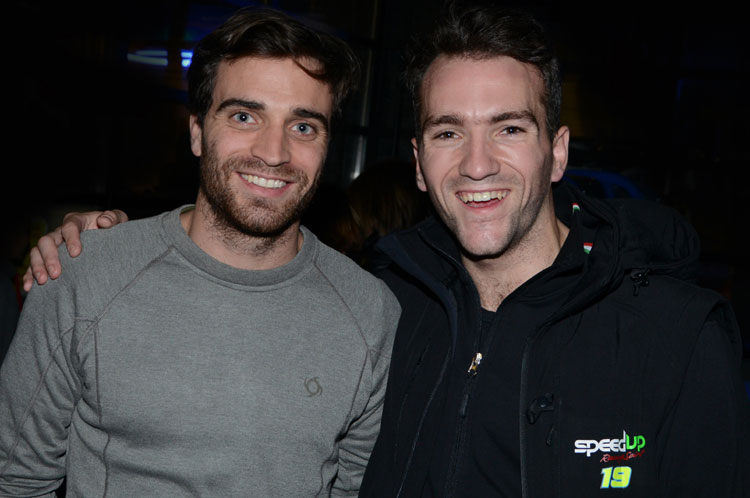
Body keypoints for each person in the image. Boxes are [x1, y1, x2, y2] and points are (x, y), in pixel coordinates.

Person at [19, 4, 750, 498]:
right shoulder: (397, 298)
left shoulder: (678, 338)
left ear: (557, 151)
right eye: (448, 132)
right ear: (418, 161)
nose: (477, 164)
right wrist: (90, 243)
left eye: (509, 128)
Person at [0, 7, 399, 497]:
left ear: (327, 145)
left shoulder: (371, 313)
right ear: (197, 131)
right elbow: (14, 480)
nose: (273, 152)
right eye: (244, 116)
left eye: (303, 127)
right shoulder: (85, 276)